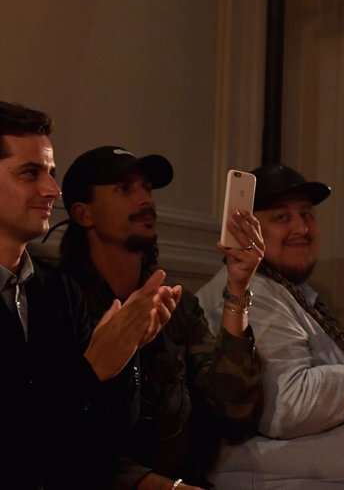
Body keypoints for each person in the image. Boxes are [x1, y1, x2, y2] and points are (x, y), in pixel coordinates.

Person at [196, 163, 344, 489]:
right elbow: (288, 406)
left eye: (307, 215)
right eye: (282, 217)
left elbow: (325, 402)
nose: (301, 228)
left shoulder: (294, 294)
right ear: (243, 229)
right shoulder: (250, 293)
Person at [59, 145, 264, 490]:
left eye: (147, 189)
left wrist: (238, 287)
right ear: (84, 214)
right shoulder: (60, 302)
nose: (146, 201)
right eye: (125, 189)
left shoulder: (174, 302)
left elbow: (234, 411)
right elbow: (60, 434)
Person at [0, 101, 178, 489]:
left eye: (50, 172)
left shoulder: (56, 289)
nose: (51, 189)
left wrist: (126, 350)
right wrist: (93, 367)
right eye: (30, 173)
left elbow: (101, 441)